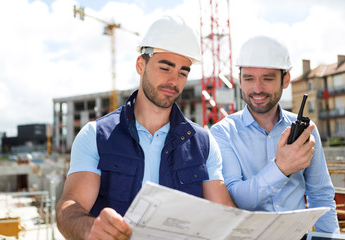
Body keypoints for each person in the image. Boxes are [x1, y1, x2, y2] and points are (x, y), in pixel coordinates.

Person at [56, 15, 236, 240]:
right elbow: (70, 206)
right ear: (141, 65)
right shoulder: (96, 136)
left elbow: (225, 217)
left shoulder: (203, 144)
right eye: (165, 67)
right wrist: (89, 228)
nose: (174, 80)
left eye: (183, 72)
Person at [210, 35, 339, 233]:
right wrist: (282, 168)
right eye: (249, 78)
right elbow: (236, 198)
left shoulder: (307, 130)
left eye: (268, 78)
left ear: (285, 79)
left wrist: (330, 239)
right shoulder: (222, 133)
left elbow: (321, 195)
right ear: (240, 80)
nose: (257, 88)